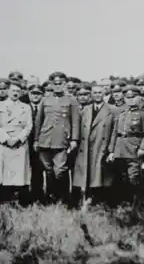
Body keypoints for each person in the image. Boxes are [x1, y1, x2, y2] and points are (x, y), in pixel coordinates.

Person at [34, 72, 80, 205]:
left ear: (65, 84)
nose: (58, 86)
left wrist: (74, 140)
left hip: (61, 140)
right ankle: (50, 197)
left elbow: (75, 121)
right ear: (51, 84)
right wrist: (36, 140)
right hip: (45, 140)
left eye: (60, 83)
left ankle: (63, 197)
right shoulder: (45, 100)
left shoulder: (71, 100)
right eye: (55, 83)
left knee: (60, 170)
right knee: (48, 170)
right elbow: (38, 121)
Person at [72, 85, 116, 208]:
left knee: (99, 174)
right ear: (91, 94)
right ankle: (85, 200)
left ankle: (99, 201)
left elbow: (114, 131)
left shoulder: (111, 110)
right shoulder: (85, 110)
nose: (97, 95)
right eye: (95, 92)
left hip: (100, 146)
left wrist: (111, 149)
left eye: (100, 92)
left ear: (104, 94)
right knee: (85, 174)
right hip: (85, 146)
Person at [108, 85, 144, 207]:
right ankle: (124, 203)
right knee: (122, 177)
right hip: (120, 148)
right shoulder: (121, 114)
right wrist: (111, 150)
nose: (130, 100)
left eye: (133, 97)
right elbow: (114, 133)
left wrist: (143, 148)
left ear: (139, 98)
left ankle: (137, 204)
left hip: (134, 148)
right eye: (127, 97)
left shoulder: (143, 114)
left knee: (134, 177)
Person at [0, 80, 33, 205]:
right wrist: (6, 139)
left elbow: (29, 126)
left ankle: (20, 201)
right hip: (4, 143)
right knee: (5, 173)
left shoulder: (26, 107)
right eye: (13, 90)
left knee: (20, 174)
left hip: (19, 144)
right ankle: (4, 200)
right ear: (8, 91)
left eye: (18, 91)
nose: (15, 93)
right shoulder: (1, 105)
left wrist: (18, 139)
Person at [27, 84, 45, 203]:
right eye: (33, 93)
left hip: (41, 143)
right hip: (25, 142)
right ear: (29, 94)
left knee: (38, 169)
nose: (35, 96)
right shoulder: (24, 107)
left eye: (38, 93)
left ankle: (37, 194)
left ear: (42, 95)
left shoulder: (45, 108)